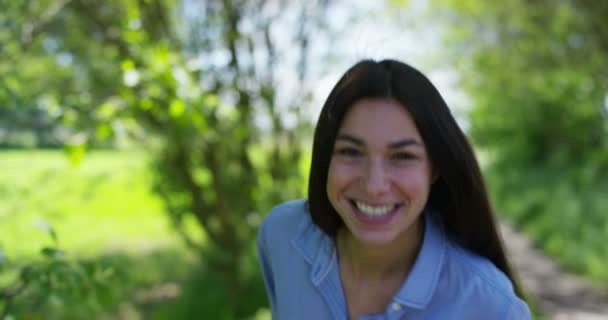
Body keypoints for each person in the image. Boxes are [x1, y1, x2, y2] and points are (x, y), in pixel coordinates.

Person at [256, 59, 531, 319]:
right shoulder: (281, 235)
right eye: (351, 152)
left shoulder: (492, 307)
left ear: (434, 169)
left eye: (402, 157)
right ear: (326, 158)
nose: (374, 186)